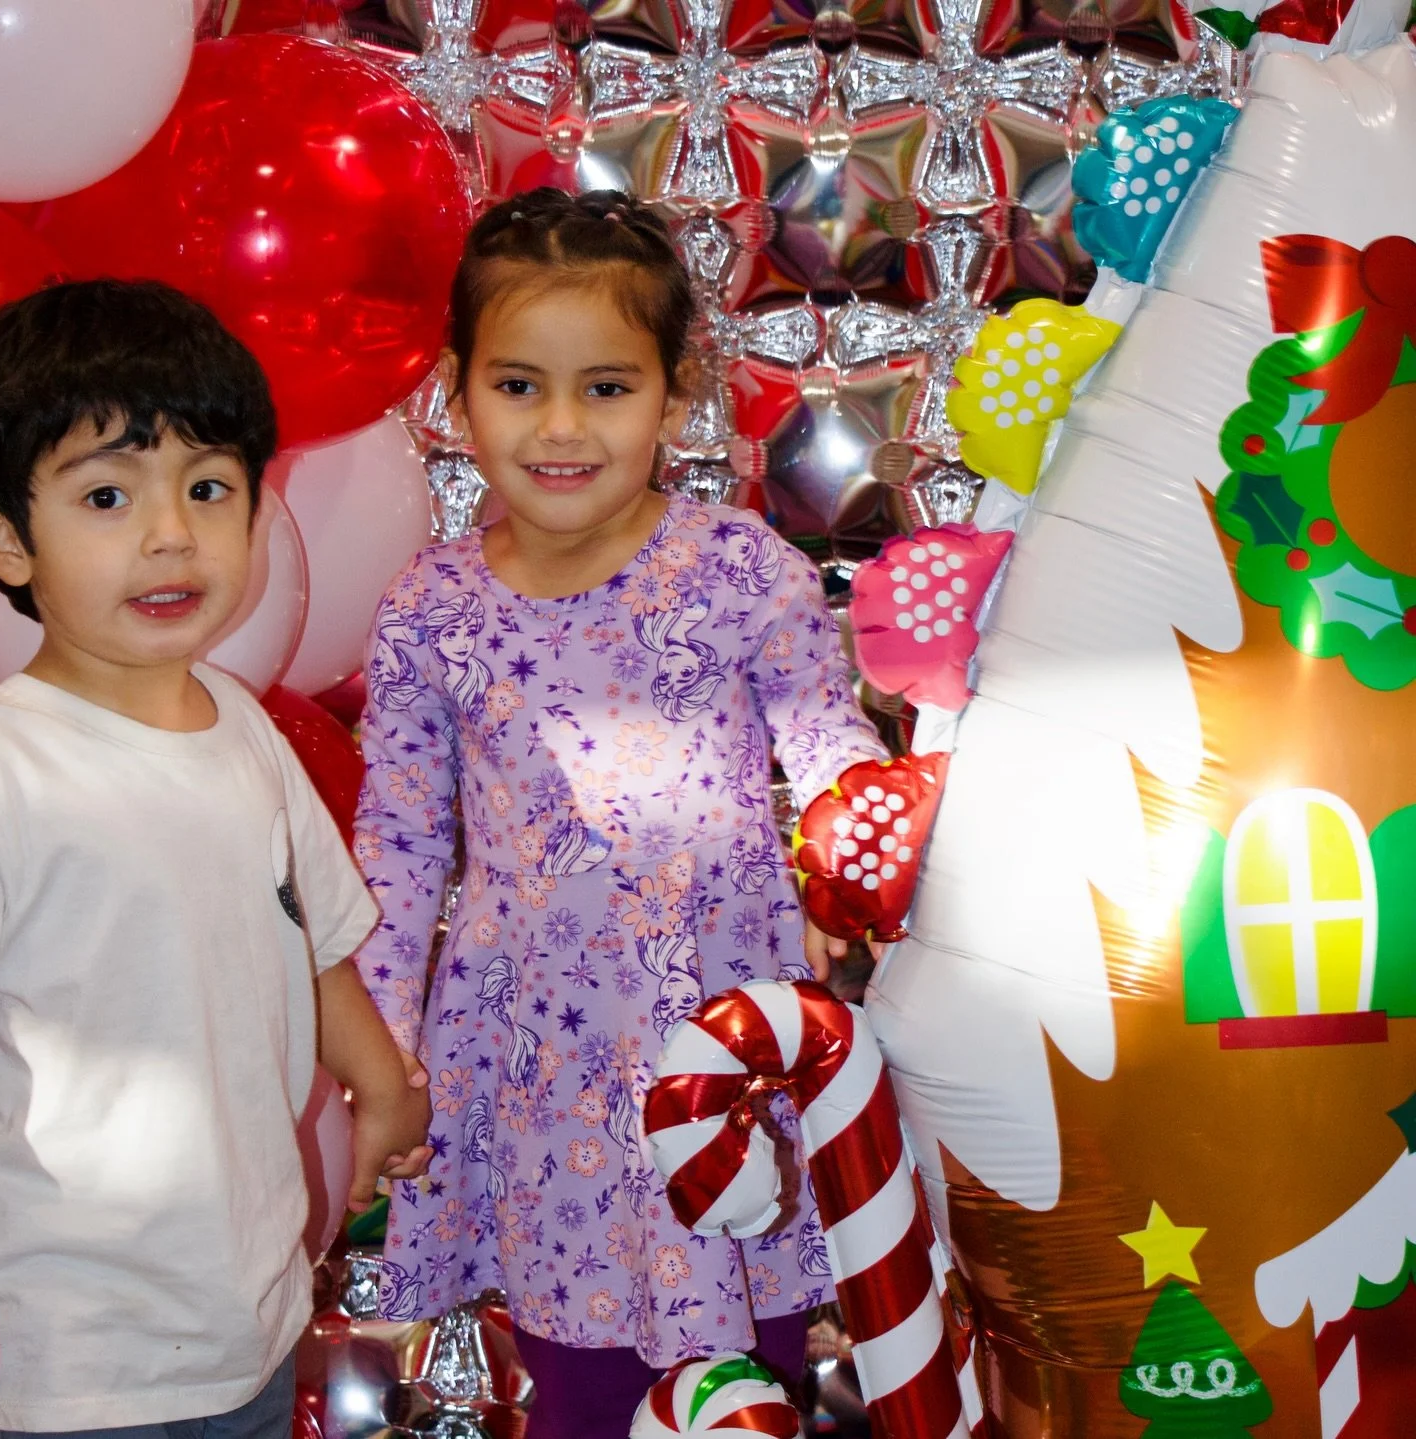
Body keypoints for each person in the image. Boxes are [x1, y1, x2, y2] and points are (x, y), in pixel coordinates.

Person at [352, 188, 889, 1438]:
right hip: (546, 1072)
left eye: (606, 386)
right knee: (584, 1383)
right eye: (518, 385)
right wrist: (383, 1052)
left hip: (725, 1042)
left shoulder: (742, 570)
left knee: (745, 1380)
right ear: (455, 393)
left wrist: (849, 860)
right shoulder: (428, 604)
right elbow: (401, 839)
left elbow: (829, 740)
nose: (560, 426)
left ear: (674, 396)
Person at [0, 280, 432, 1438]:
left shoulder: (242, 729)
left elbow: (310, 934)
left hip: (246, 1317)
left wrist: (382, 1082)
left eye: (209, 487)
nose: (171, 532)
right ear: (6, 538)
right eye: (108, 495)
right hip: (66, 1350)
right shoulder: (0, 770)